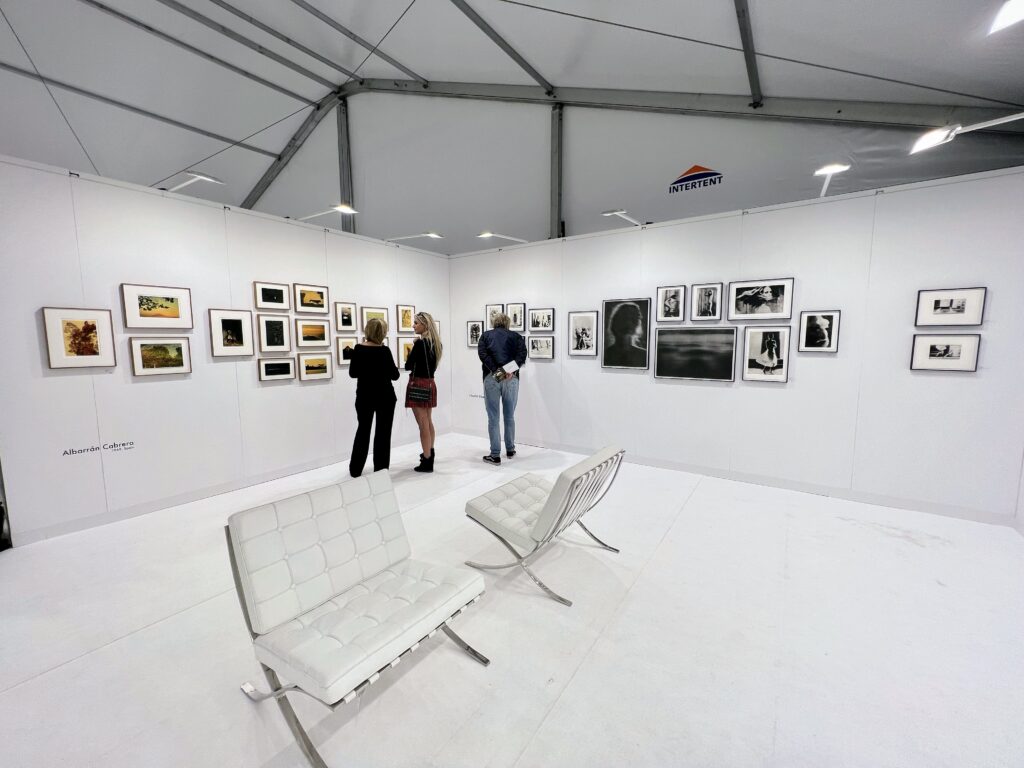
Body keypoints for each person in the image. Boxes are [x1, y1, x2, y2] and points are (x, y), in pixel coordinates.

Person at [348, 317, 399, 477]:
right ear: (382, 333)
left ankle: (355, 470)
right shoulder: (385, 351)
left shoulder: (358, 349)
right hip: (386, 397)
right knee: (383, 434)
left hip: (364, 397)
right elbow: (395, 375)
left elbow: (353, 373)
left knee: (363, 431)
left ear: (367, 330)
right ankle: (381, 471)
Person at [477, 312, 527, 464]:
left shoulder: (485, 336)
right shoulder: (516, 337)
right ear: (507, 323)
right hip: (511, 377)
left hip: (492, 377)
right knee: (509, 415)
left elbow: (483, 355)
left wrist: (497, 371)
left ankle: (495, 454)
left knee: (493, 417)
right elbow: (522, 355)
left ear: (494, 322)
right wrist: (509, 370)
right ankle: (510, 449)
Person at [405, 311, 442, 473]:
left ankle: (427, 460)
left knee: (423, 425)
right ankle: (430, 452)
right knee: (428, 421)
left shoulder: (420, 344)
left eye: (416, 323)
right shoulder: (437, 344)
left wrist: (414, 347)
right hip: (430, 383)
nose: (413, 325)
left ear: (425, 325)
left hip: (418, 384)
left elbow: (408, 365)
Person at [604, 301, 647, 367]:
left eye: (633, 319)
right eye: (624, 318)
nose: (628, 323)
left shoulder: (644, 355)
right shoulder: (606, 354)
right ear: (615, 322)